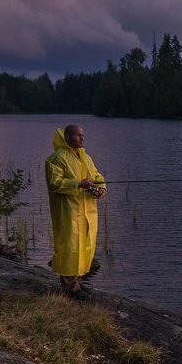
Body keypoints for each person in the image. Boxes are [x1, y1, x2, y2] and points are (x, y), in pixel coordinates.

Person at [45, 124, 106, 300]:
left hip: (87, 211)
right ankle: (69, 287)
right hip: (68, 212)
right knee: (69, 247)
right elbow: (54, 183)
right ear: (68, 137)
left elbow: (97, 176)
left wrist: (101, 188)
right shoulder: (56, 159)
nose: (82, 138)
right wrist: (78, 184)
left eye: (83, 135)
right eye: (78, 135)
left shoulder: (86, 158)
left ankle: (77, 282)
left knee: (85, 246)